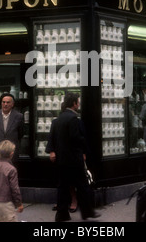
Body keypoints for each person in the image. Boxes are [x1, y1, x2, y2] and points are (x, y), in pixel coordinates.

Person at [45, 92, 99, 222]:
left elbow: (52, 137)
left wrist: (52, 151)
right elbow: (75, 138)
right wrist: (84, 147)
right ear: (74, 104)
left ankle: (61, 215)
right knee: (82, 185)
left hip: (61, 159)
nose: (78, 104)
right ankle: (87, 212)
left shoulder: (58, 119)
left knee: (62, 187)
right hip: (74, 159)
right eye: (78, 102)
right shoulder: (73, 119)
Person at [0, 140, 24, 222]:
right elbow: (15, 189)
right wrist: (19, 203)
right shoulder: (11, 169)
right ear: (11, 154)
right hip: (7, 203)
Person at [0, 92, 24, 163]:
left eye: (8, 102)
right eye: (3, 102)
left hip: (12, 151)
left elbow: (20, 133)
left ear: (12, 104)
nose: (5, 104)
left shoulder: (19, 116)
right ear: (1, 103)